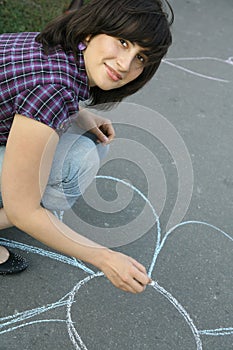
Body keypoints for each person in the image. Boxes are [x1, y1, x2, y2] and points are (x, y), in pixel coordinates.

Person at [0, 0, 173, 293]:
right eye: (123, 41)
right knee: (76, 162)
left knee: (84, 142)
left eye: (141, 58)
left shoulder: (56, 48)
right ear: (93, 31)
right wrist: (105, 258)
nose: (125, 64)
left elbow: (27, 86)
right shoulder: (53, 91)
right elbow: (23, 211)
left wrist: (78, 114)